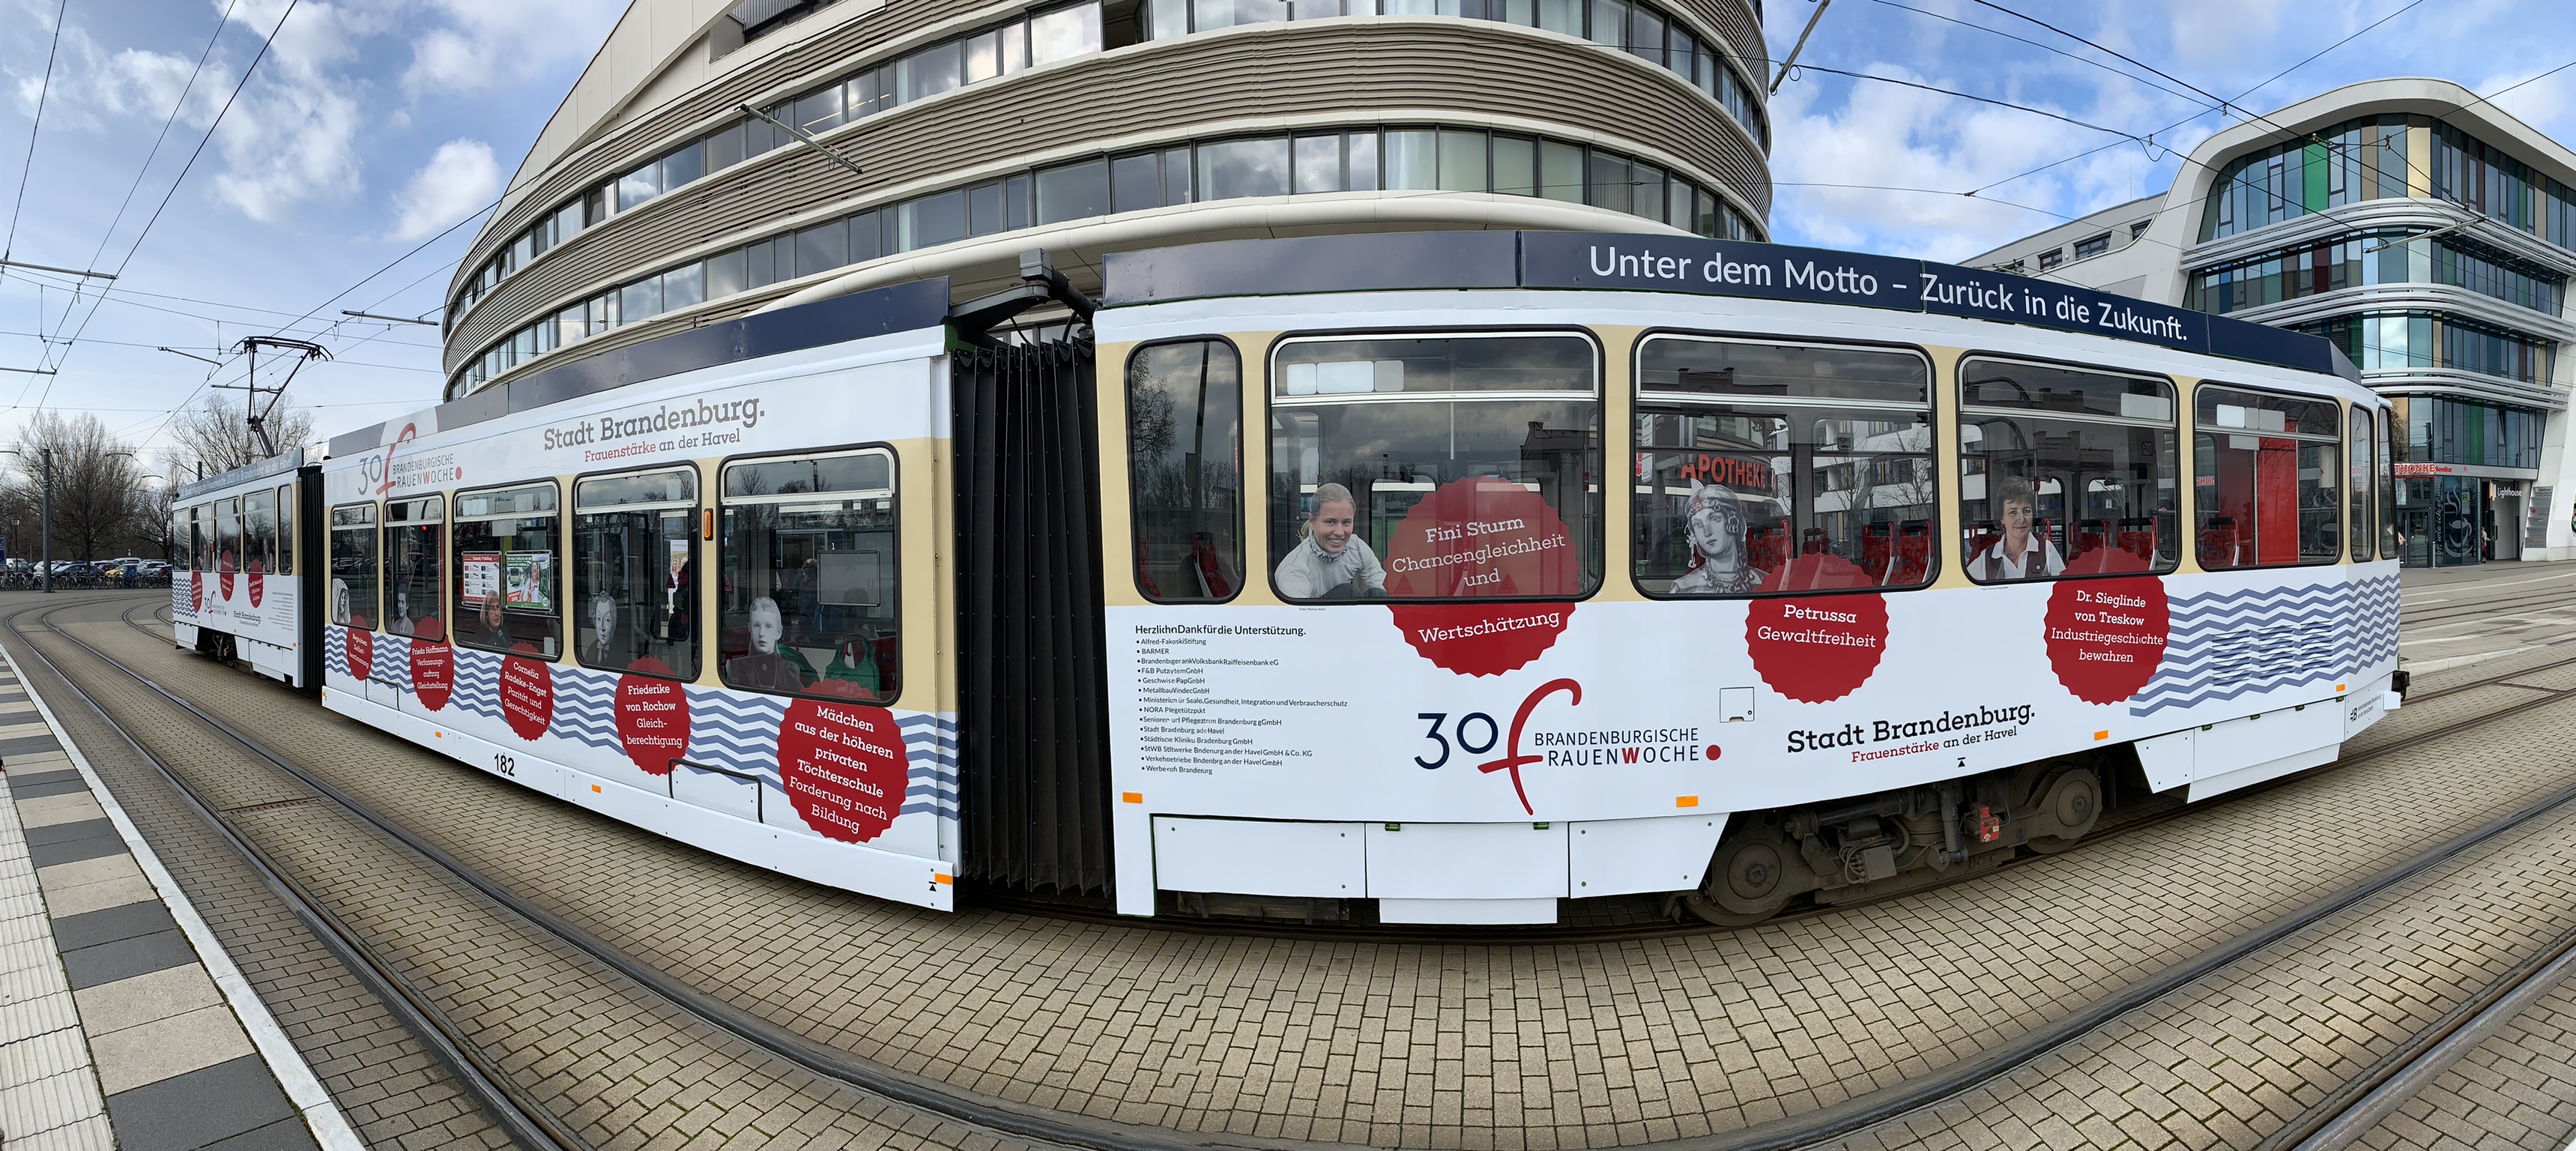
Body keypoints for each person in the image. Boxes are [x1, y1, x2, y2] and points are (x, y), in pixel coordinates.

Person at [1274, 482, 1385, 599]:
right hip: (1312, 611)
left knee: (1378, 593)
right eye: (1330, 522)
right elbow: (1299, 611)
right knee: (1348, 592)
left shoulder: (1356, 546)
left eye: (1346, 522)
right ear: (1312, 521)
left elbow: (1384, 590)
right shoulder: (1293, 568)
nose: (1340, 532)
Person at [1668, 480, 1765, 594]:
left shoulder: (1765, 582)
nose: (1707, 532)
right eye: (1698, 525)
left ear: (1734, 522)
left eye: (1715, 519)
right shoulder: (1682, 588)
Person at [1968, 475, 2064, 581]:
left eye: (2026, 511)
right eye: (2013, 512)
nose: (2021, 519)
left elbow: (2063, 587)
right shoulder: (1987, 558)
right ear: (2002, 518)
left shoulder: (2047, 550)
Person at [725, 596, 811, 691]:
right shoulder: (734, 668)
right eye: (757, 625)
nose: (761, 633)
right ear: (750, 628)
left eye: (768, 626)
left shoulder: (792, 670)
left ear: (779, 632)